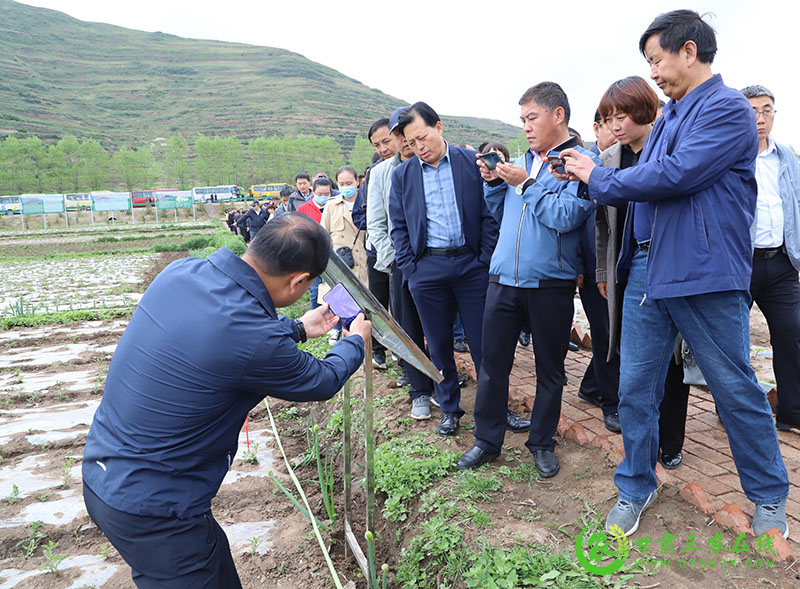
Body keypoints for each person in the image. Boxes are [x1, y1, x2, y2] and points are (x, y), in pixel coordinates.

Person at [558, 9, 790, 538]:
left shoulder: (728, 110)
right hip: (647, 268)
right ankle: (637, 483)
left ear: (690, 51)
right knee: (637, 387)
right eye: (648, 62)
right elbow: (644, 180)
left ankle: (769, 494)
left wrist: (600, 178)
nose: (654, 71)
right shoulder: (671, 114)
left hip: (703, 272)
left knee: (734, 387)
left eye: (656, 59)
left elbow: (675, 175)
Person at [82, 213, 372, 587]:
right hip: (155, 510)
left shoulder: (181, 272)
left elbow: (220, 332)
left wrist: (297, 327)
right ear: (299, 281)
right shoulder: (255, 341)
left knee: (213, 564)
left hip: (105, 471)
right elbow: (320, 380)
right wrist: (355, 342)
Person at [457, 82, 597, 475]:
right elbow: (505, 216)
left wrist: (524, 183)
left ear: (558, 115)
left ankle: (542, 442)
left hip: (550, 282)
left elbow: (567, 217)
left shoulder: (580, 162)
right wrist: (495, 185)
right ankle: (487, 441)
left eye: (532, 118)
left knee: (550, 369)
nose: (526, 127)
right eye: (522, 120)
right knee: (492, 365)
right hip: (503, 278)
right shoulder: (521, 160)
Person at [389, 102, 499, 435]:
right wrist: (412, 269)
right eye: (411, 142)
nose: (419, 147)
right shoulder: (403, 175)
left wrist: (484, 260)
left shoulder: (471, 164)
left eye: (422, 137)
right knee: (438, 345)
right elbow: (399, 227)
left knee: (485, 344)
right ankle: (449, 408)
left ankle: (494, 410)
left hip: (471, 266)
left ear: (439, 127)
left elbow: (489, 214)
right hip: (428, 270)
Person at [367, 106, 436, 419]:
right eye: (396, 135)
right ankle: (418, 389)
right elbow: (376, 224)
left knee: (437, 326)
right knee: (407, 327)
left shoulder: (431, 164)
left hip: (434, 262)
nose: (403, 141)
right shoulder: (382, 174)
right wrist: (396, 258)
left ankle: (439, 380)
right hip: (400, 263)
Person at [740, 84, 800, 434]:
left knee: (791, 333)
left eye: (767, 110)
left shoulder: (787, 157)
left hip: (780, 263)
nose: (760, 119)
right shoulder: (730, 156)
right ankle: (732, 408)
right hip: (740, 263)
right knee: (733, 340)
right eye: (752, 111)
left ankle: (792, 411)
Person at [352, 118, 397, 371]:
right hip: (377, 251)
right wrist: (377, 223)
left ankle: (404, 356)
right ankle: (378, 351)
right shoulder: (372, 177)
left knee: (404, 309)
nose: (383, 149)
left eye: (386, 142)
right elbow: (358, 215)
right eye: (377, 145)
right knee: (378, 303)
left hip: (405, 253)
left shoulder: (412, 169)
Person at [320, 165, 368, 344]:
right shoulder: (332, 205)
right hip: (341, 265)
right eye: (341, 183)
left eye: (349, 182)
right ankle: (346, 339)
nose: (346, 186)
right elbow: (323, 234)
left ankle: (369, 347)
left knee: (364, 310)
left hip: (363, 264)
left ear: (357, 182)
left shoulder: (366, 202)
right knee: (344, 309)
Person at [298, 178, 332, 309]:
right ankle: (315, 318)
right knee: (314, 290)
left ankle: (336, 324)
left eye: (326, 194)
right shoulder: (304, 209)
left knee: (334, 290)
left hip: (331, 256)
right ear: (313, 192)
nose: (323, 197)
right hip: (311, 257)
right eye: (320, 194)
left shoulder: (333, 207)